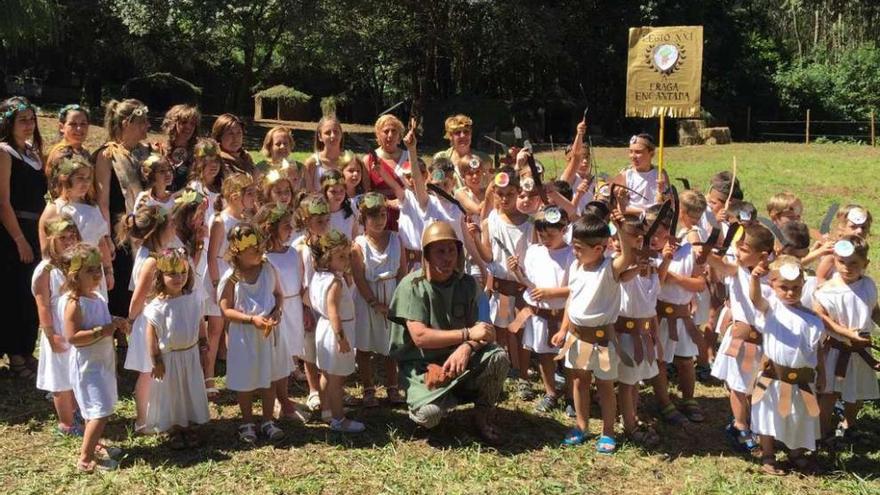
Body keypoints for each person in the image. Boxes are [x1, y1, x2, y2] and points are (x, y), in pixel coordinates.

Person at [388, 221, 509, 443]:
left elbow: (486, 331)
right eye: (440, 251)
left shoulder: (468, 284)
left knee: (498, 357)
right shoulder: (412, 286)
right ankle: (440, 400)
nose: (447, 257)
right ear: (427, 255)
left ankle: (482, 415)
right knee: (428, 416)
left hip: (461, 359)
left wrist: (466, 347)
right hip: (421, 366)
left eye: (451, 250)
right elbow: (420, 337)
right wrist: (466, 335)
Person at [748, 255, 864, 475]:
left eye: (796, 287)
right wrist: (755, 278)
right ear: (772, 284)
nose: (790, 292)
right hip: (772, 378)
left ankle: (795, 452)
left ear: (803, 285)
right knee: (767, 415)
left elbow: (817, 348)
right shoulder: (771, 307)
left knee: (799, 416)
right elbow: (755, 299)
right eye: (784, 287)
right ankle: (768, 455)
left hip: (802, 379)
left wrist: (821, 373)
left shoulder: (811, 318)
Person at [551, 211, 636, 453]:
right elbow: (572, 299)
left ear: (599, 248)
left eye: (579, 248)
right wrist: (564, 329)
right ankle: (581, 425)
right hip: (577, 338)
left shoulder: (610, 269)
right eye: (574, 246)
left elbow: (628, 256)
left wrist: (620, 229)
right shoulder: (577, 266)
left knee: (606, 387)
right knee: (579, 382)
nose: (574, 252)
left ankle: (608, 432)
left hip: (602, 341)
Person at [60, 243, 130, 472]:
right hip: (87, 367)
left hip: (102, 363)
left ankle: (94, 444)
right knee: (98, 411)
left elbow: (102, 316)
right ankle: (85, 458)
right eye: (89, 271)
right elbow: (73, 337)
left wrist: (115, 320)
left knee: (103, 408)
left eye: (97, 269)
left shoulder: (96, 297)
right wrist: (103, 330)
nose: (97, 274)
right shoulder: (74, 304)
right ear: (73, 276)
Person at [705, 224, 776, 452]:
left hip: (765, 341)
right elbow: (720, 264)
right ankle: (740, 425)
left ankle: (754, 421)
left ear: (763, 255)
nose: (737, 251)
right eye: (737, 246)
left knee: (760, 383)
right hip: (742, 340)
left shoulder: (773, 275)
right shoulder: (737, 269)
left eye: (744, 249)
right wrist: (707, 254)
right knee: (738, 385)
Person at [469, 168, 533, 399]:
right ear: (494, 193)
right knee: (502, 331)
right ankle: (507, 371)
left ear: (518, 193)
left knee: (519, 332)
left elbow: (534, 259)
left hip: (519, 288)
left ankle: (522, 374)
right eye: (500, 194)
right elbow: (488, 257)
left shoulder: (529, 225)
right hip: (499, 289)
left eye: (510, 194)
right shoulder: (491, 220)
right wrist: (476, 237)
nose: (505, 199)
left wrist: (520, 269)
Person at [218, 223, 285, 443]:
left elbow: (278, 295)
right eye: (253, 250)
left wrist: (276, 312)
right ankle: (247, 421)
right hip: (244, 336)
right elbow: (226, 309)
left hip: (266, 334)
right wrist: (251, 319)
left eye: (260, 248)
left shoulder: (267, 268)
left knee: (269, 378)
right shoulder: (233, 277)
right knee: (245, 380)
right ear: (238, 252)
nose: (259, 252)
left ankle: (267, 420)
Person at [118, 204, 178, 432]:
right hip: (148, 321)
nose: (174, 228)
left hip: (155, 318)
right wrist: (131, 321)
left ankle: (157, 413)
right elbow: (138, 297)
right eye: (170, 225)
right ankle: (142, 420)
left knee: (154, 371)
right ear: (157, 231)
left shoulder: (149, 253)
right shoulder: (151, 261)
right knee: (147, 371)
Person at [813, 236, 879, 441]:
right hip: (836, 349)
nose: (847, 268)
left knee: (857, 392)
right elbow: (822, 319)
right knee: (829, 393)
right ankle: (821, 431)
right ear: (834, 260)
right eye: (842, 262)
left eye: (854, 264)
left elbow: (872, 309)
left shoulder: (867, 284)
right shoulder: (827, 291)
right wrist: (847, 333)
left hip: (860, 350)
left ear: (865, 264)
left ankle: (849, 424)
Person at [143, 247, 210, 446]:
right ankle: (174, 428)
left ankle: (189, 426)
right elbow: (151, 336)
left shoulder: (192, 299)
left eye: (182, 273)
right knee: (172, 394)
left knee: (189, 390)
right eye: (172, 274)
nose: (179, 278)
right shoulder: (157, 306)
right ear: (160, 276)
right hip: (170, 359)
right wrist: (156, 360)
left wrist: (204, 348)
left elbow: (199, 324)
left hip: (189, 355)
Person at [510, 206, 574, 412]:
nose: (545, 238)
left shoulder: (571, 254)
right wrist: (517, 272)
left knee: (569, 359)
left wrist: (550, 293)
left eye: (551, 234)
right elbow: (530, 282)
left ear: (563, 229)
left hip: (564, 316)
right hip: (540, 316)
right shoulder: (534, 252)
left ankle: (572, 397)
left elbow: (577, 287)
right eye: (541, 234)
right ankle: (551, 392)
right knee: (545, 355)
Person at [0, 96, 46, 378]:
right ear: (9, 123)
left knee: (31, 291)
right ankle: (15, 354)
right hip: (12, 231)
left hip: (35, 229)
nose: (29, 125)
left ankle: (27, 350)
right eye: (23, 120)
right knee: (14, 292)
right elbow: (3, 202)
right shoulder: (4, 152)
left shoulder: (32, 152)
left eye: (32, 119)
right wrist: (19, 239)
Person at [94, 98, 151, 317]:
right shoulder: (107, 155)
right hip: (120, 232)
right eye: (142, 122)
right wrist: (107, 237)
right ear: (127, 123)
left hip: (145, 229)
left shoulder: (144, 152)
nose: (147, 126)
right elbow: (103, 201)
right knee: (121, 285)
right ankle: (119, 334)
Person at [351, 193, 407, 406]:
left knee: (389, 346)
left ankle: (392, 387)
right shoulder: (358, 245)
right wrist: (375, 303)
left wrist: (397, 301)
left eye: (383, 214)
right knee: (365, 347)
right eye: (373, 216)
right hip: (368, 302)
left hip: (392, 295)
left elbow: (402, 271)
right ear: (363, 218)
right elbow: (358, 278)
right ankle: (368, 388)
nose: (379, 220)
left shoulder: (395, 239)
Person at [205, 173, 256, 400]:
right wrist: (217, 285)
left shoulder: (245, 221)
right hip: (219, 277)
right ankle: (208, 377)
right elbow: (212, 255)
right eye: (250, 194)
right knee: (215, 329)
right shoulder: (220, 221)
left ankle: (238, 375)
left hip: (237, 278)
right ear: (236, 197)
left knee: (234, 328)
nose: (254, 197)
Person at [309, 230, 365, 432]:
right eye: (341, 256)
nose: (346, 260)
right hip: (335, 331)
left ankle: (326, 411)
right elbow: (333, 310)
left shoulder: (320, 276)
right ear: (327, 258)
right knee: (336, 380)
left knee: (326, 373)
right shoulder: (335, 282)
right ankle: (339, 419)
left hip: (323, 329)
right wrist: (341, 337)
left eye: (347, 255)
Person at [257, 203, 307, 421]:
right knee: (280, 358)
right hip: (279, 311)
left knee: (290, 357)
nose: (291, 230)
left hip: (295, 306)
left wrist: (305, 309)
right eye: (286, 226)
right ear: (271, 228)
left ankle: (283, 398)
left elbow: (300, 280)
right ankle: (283, 402)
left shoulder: (293, 252)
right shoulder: (264, 258)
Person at [33, 216, 82, 435]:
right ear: (51, 240)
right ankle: (67, 423)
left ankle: (76, 412)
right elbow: (43, 305)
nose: (69, 241)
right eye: (63, 238)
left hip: (72, 329)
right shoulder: (46, 270)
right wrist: (51, 335)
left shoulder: (72, 264)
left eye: (72, 236)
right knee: (60, 380)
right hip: (57, 331)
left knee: (74, 374)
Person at [364, 114, 408, 230]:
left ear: (399, 136)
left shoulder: (409, 158)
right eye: (385, 131)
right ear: (378, 135)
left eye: (394, 131)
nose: (390, 135)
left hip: (406, 213)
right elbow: (365, 193)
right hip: (378, 216)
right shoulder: (369, 160)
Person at [612, 133, 669, 214]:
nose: (633, 156)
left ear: (651, 153)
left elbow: (670, 204)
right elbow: (622, 208)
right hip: (633, 221)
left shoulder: (660, 174)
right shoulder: (626, 175)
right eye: (631, 152)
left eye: (638, 152)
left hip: (656, 220)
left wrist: (663, 192)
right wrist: (645, 212)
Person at [432, 114, 490, 189]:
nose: (462, 135)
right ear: (450, 136)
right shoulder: (440, 158)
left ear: (471, 134)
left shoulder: (484, 159)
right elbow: (435, 184)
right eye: (457, 133)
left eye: (466, 132)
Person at [45, 104, 92, 198]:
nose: (79, 128)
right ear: (61, 127)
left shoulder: (85, 152)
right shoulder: (61, 153)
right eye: (73, 124)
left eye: (83, 124)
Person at [160, 104, 201, 192]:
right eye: (184, 122)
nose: (189, 127)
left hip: (187, 202)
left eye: (192, 124)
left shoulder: (198, 152)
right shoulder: (158, 149)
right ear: (173, 123)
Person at [304, 115, 345, 191]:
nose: (333, 136)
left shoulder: (350, 161)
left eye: (336, 131)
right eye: (327, 133)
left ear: (341, 134)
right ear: (320, 137)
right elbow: (307, 194)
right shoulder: (312, 163)